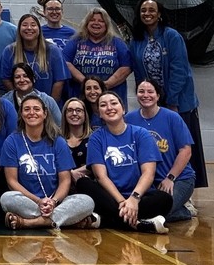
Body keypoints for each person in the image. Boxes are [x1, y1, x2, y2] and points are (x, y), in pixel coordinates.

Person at [130, 0, 207, 188]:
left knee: (182, 146)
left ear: (160, 14)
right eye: (143, 10)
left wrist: (171, 101)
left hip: (178, 101)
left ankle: (185, 188)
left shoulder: (172, 36)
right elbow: (139, 73)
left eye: (151, 10)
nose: (147, 13)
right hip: (152, 101)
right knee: (159, 146)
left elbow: (179, 69)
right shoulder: (137, 39)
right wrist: (145, 98)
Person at [75, 91, 173, 233]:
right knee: (83, 183)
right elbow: (101, 176)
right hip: (110, 196)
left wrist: (134, 199)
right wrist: (122, 202)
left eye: (114, 103)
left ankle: (107, 220)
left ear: (123, 109)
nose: (109, 107)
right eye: (103, 105)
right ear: (99, 114)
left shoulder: (141, 134)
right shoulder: (96, 138)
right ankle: (138, 224)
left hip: (140, 196)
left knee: (165, 199)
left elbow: (149, 173)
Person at [0, 95, 98, 229]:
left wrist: (53, 201)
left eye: (36, 109)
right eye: (27, 109)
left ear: (45, 113)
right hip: (29, 201)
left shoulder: (58, 141)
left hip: (56, 202)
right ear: (21, 114)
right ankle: (64, 220)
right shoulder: (12, 141)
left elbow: (65, 181)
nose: (32, 113)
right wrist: (38, 201)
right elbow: (12, 182)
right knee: (7, 198)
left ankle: (29, 223)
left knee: (87, 201)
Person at [126, 80, 196, 221]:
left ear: (158, 96)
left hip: (178, 179)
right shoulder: (129, 119)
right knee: (141, 209)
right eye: (141, 91)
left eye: (150, 92)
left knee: (160, 213)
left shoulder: (172, 118)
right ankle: (178, 206)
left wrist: (170, 178)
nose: (146, 95)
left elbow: (186, 151)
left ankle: (185, 210)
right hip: (149, 182)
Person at [63, 8, 132, 108]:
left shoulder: (117, 42)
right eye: (92, 20)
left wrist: (107, 84)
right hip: (81, 98)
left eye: (101, 21)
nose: (96, 23)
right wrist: (86, 83)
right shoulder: (76, 41)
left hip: (112, 97)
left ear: (107, 24)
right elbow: (65, 62)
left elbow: (127, 66)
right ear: (86, 23)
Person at [0, 14, 68, 102]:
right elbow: (6, 79)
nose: (29, 28)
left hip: (48, 105)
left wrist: (50, 106)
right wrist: (18, 102)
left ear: (39, 29)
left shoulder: (53, 51)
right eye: (24, 25)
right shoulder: (9, 51)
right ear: (19, 29)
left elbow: (59, 82)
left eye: (33, 25)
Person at [62, 97, 93, 182]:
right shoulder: (56, 139)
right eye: (70, 110)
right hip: (62, 184)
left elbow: (97, 162)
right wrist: (70, 173)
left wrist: (74, 173)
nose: (74, 113)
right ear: (65, 114)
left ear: (85, 114)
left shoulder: (94, 137)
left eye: (78, 110)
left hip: (90, 184)